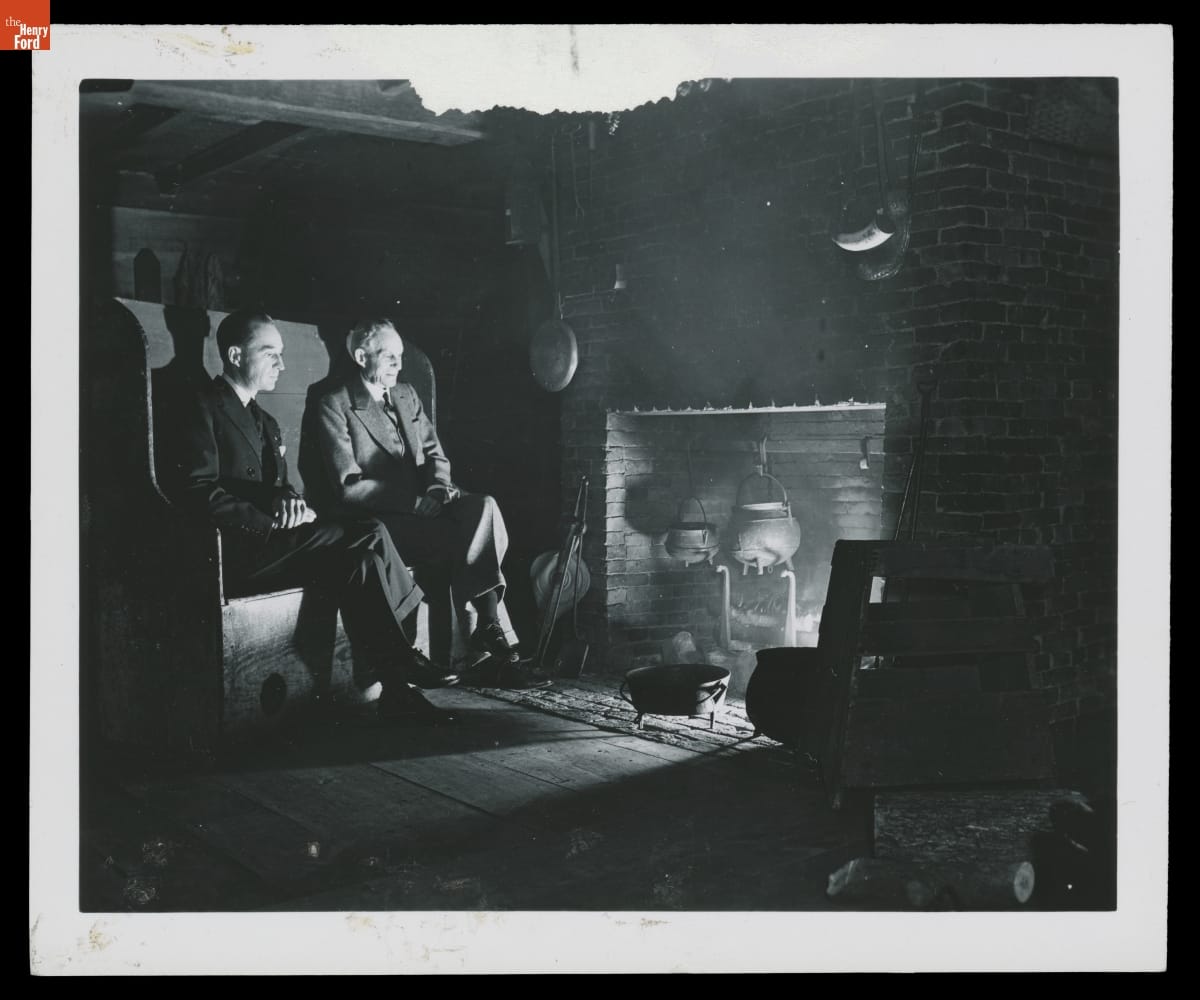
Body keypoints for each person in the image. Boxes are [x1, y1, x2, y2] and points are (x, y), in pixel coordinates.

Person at [166, 308, 460, 722]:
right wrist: (269, 519)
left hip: (274, 545)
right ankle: (405, 653)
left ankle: (396, 690)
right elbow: (196, 491)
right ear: (235, 355)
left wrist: (290, 501)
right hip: (234, 551)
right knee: (370, 530)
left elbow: (277, 486)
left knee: (360, 560)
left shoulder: (265, 421)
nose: (281, 364)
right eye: (270, 353)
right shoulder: (202, 405)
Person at [303, 317, 549, 689]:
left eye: (400, 356)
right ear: (361, 357)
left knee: (483, 507)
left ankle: (488, 625)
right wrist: (413, 503)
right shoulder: (334, 404)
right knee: (468, 541)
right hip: (383, 521)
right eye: (388, 356)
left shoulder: (406, 394)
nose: (398, 364)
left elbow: (436, 456)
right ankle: (494, 654)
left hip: (426, 508)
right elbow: (348, 485)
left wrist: (436, 490)